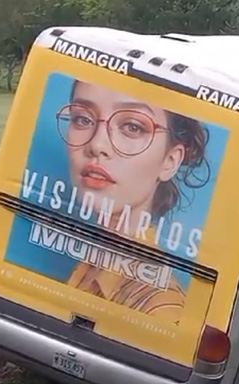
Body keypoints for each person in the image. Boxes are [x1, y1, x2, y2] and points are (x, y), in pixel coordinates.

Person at [56, 80, 210, 323]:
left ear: (170, 160)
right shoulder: (95, 260)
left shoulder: (162, 311)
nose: (97, 145)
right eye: (83, 119)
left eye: (133, 127)